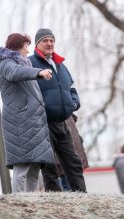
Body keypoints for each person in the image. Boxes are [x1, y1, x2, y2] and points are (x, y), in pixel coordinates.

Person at [29, 28, 86, 192]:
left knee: (73, 161)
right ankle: (55, 198)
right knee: (49, 164)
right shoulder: (30, 63)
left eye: (51, 40)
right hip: (43, 122)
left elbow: (72, 88)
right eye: (45, 40)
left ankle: (81, 196)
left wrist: (74, 103)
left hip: (63, 122)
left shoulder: (61, 65)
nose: (49, 43)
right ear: (37, 44)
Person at [0, 33, 54, 192]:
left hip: (33, 123)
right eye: (26, 47)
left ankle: (33, 204)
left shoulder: (25, 64)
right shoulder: (6, 63)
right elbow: (14, 73)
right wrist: (39, 72)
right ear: (17, 48)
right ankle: (19, 204)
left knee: (34, 169)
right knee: (21, 168)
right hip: (19, 122)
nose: (28, 51)